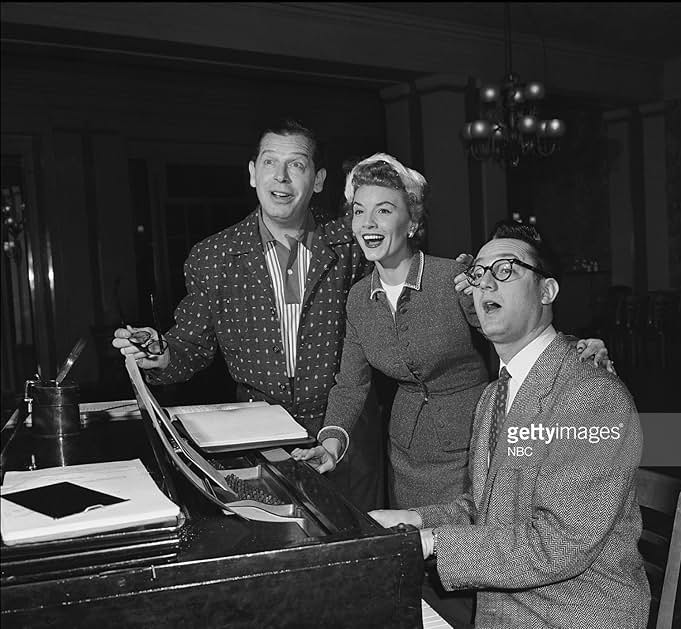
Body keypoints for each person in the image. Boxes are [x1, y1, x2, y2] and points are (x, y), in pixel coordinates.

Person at [370, 220, 650, 629]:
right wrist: (415, 519)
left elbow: (557, 542)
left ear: (547, 290)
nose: (486, 284)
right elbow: (487, 508)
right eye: (478, 274)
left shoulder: (591, 396)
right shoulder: (494, 395)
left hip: (573, 615)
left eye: (505, 270)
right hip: (506, 612)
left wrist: (431, 543)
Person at [111, 118, 384, 510]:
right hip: (261, 445)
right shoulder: (214, 257)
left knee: (363, 554)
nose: (282, 177)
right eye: (270, 163)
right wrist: (160, 352)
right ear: (253, 174)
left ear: (319, 180)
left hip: (348, 436)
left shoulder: (353, 242)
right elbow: (190, 345)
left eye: (297, 165)